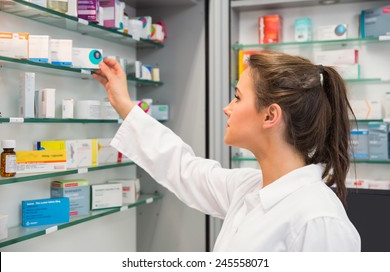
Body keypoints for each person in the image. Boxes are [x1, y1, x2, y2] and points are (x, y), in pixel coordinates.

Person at [92, 51, 361, 252]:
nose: (227, 108)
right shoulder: (249, 188)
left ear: (270, 116)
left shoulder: (318, 220)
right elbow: (184, 169)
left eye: (238, 97)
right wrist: (124, 104)